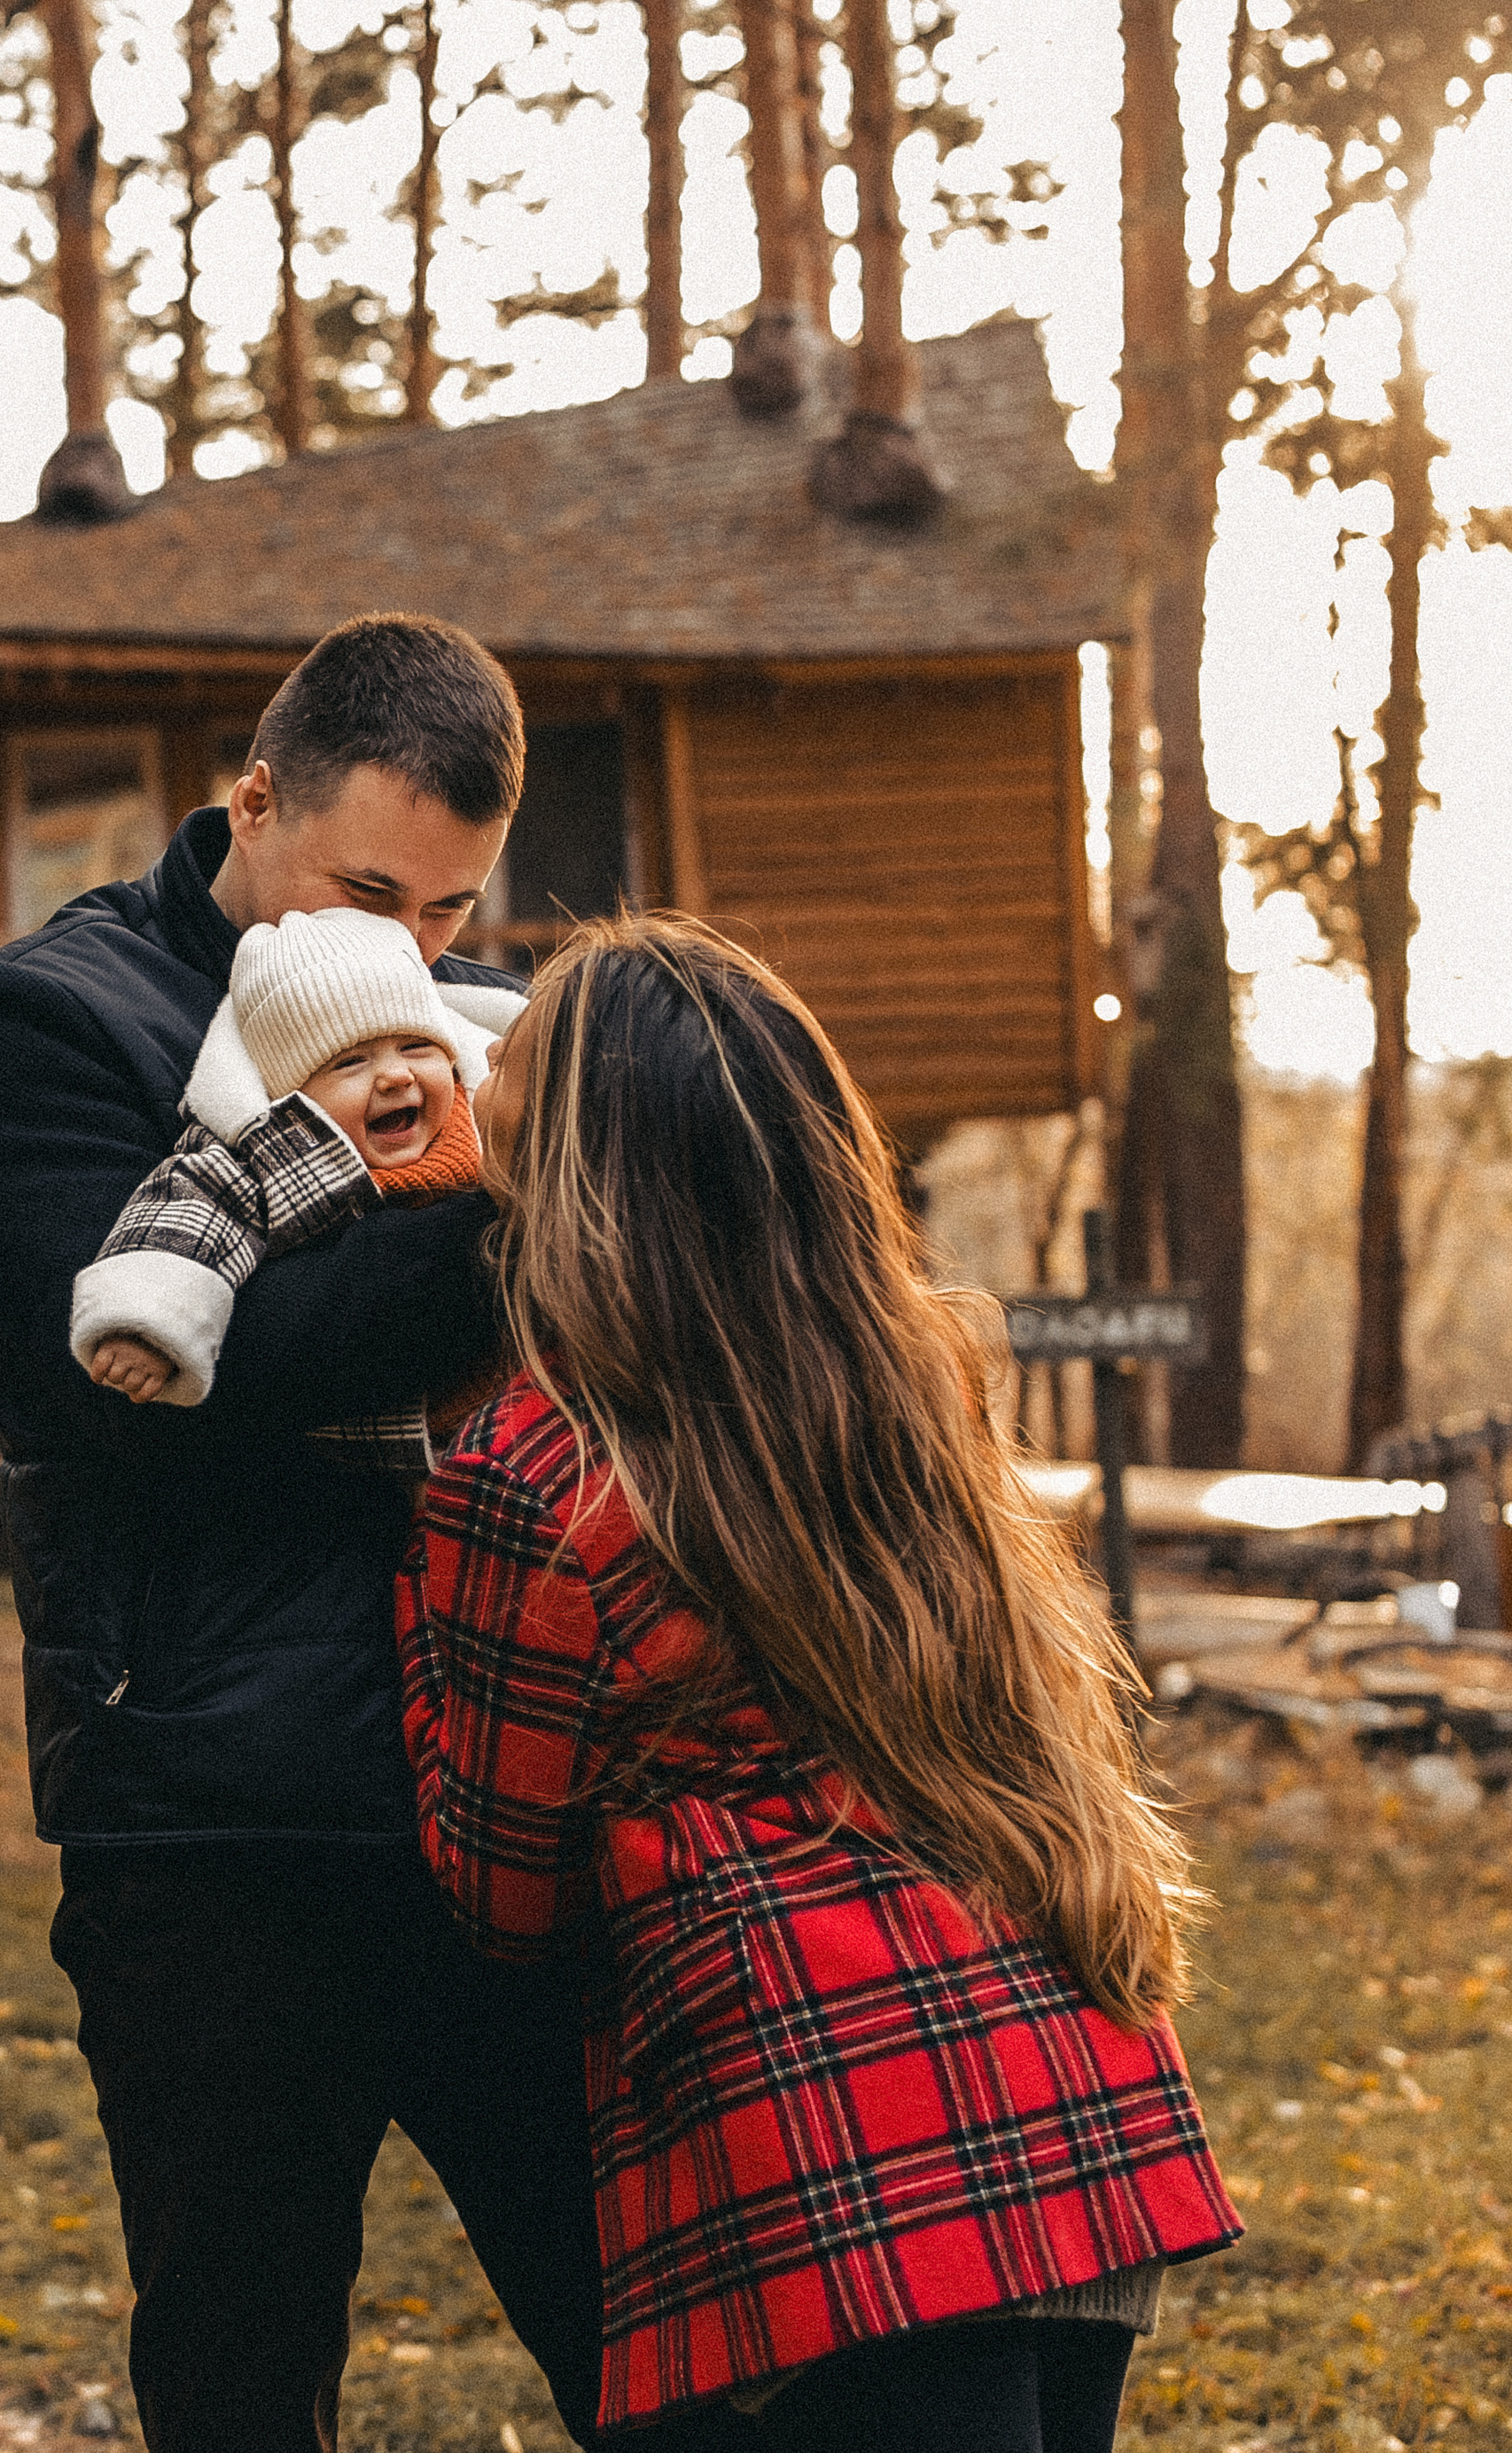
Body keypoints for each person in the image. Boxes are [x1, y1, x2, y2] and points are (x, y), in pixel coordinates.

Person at [397, 917, 1240, 2452]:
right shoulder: (911, 1373)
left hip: (835, 2155)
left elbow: (499, 1890)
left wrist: (410, 1594)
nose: (472, 1061)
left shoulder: (538, 1473)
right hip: (1065, 2081)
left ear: (577, 1149)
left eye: (505, 1057)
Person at [0, 614, 604, 2453]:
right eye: (371, 885)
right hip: (214, 1824)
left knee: (647, 2331)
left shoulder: (485, 1027)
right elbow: (138, 1385)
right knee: (240, 2376)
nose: (410, 945)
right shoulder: (41, 1024)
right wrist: (509, 1230)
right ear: (252, 798)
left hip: (505, 1784)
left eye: (452, 909)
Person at [72, 904, 504, 1409]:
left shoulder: (485, 1116)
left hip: (518, 1404)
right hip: (384, 1427)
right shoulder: (265, 1156)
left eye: (415, 1047)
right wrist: (143, 1325)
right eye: (350, 1062)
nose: (395, 1076)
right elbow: (184, 1224)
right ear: (291, 1094)